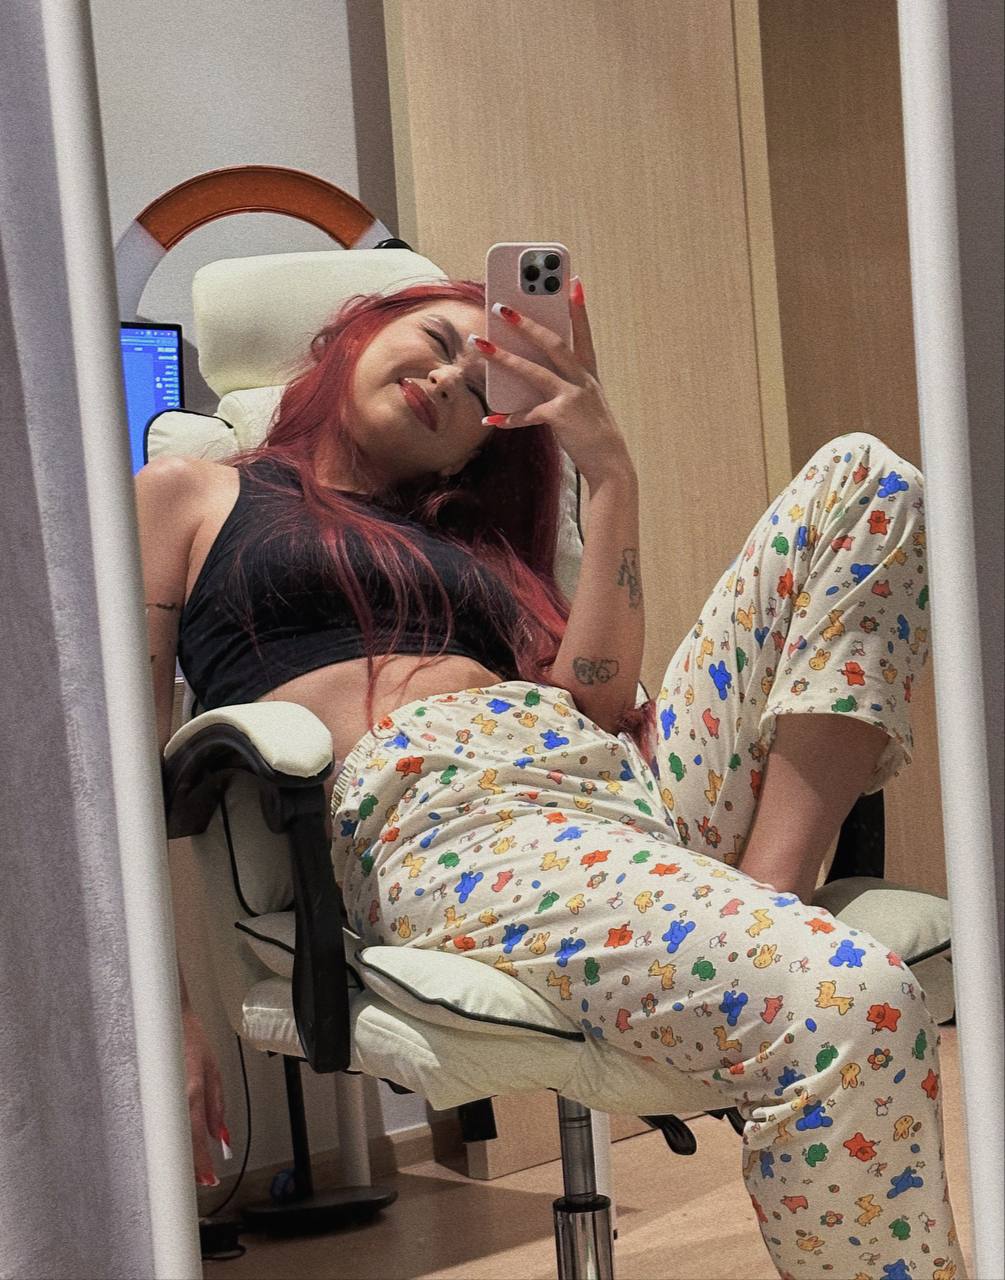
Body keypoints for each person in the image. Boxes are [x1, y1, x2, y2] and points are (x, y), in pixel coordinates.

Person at [138, 274, 966, 1277]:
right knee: (851, 994)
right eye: (437, 338)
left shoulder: (469, 541)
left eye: (475, 390)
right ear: (355, 331)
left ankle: (770, 891)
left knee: (867, 478)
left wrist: (607, 470)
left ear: (475, 450)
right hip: (446, 815)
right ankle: (772, 934)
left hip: (607, 778)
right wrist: (163, 1018)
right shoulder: (193, 492)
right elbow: (118, 763)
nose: (447, 376)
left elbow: (600, 700)